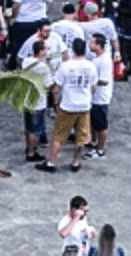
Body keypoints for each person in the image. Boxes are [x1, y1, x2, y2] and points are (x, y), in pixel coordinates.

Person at [39, 38, 95, 173]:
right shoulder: (91, 66)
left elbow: (57, 87)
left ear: (72, 50)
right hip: (84, 105)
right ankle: (76, 161)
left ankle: (51, 162)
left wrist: (56, 102)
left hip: (68, 105)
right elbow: (93, 87)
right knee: (81, 136)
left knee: (58, 135)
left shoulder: (65, 66)